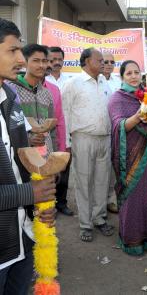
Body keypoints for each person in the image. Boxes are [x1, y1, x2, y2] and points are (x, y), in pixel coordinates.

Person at [0, 18, 56, 295]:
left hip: (21, 235)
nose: (20, 59)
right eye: (13, 51)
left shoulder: (9, 97)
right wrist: (29, 194)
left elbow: (21, 160)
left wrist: (39, 207)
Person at [108, 60, 147, 255]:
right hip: (128, 156)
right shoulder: (117, 98)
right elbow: (118, 126)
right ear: (122, 76)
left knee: (146, 194)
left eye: (136, 72)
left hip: (146, 152)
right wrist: (138, 116)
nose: (133, 76)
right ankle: (132, 239)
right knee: (131, 196)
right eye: (129, 73)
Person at [62, 48, 113, 242]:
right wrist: (67, 143)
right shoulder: (73, 83)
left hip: (104, 138)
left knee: (103, 181)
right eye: (99, 60)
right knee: (84, 182)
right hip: (82, 138)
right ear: (86, 61)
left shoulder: (104, 82)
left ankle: (99, 218)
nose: (103, 63)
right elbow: (65, 113)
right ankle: (85, 224)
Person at [12, 44, 56, 155]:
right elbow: (9, 127)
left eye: (44, 61)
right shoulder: (12, 90)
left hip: (46, 155)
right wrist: (28, 140)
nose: (41, 65)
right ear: (25, 63)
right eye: (36, 61)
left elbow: (51, 129)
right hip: (22, 156)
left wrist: (54, 157)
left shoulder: (47, 94)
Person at [44, 56, 73, 216]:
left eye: (59, 59)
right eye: (52, 59)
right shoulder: (43, 80)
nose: (56, 62)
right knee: (47, 173)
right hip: (45, 138)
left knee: (64, 171)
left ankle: (62, 203)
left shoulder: (69, 81)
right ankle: (49, 204)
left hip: (66, 132)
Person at [102, 52, 119, 214]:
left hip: (116, 131)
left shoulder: (118, 82)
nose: (108, 64)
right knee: (99, 170)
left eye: (111, 62)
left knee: (113, 168)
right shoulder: (94, 81)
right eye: (105, 61)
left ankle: (110, 200)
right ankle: (98, 203)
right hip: (99, 131)